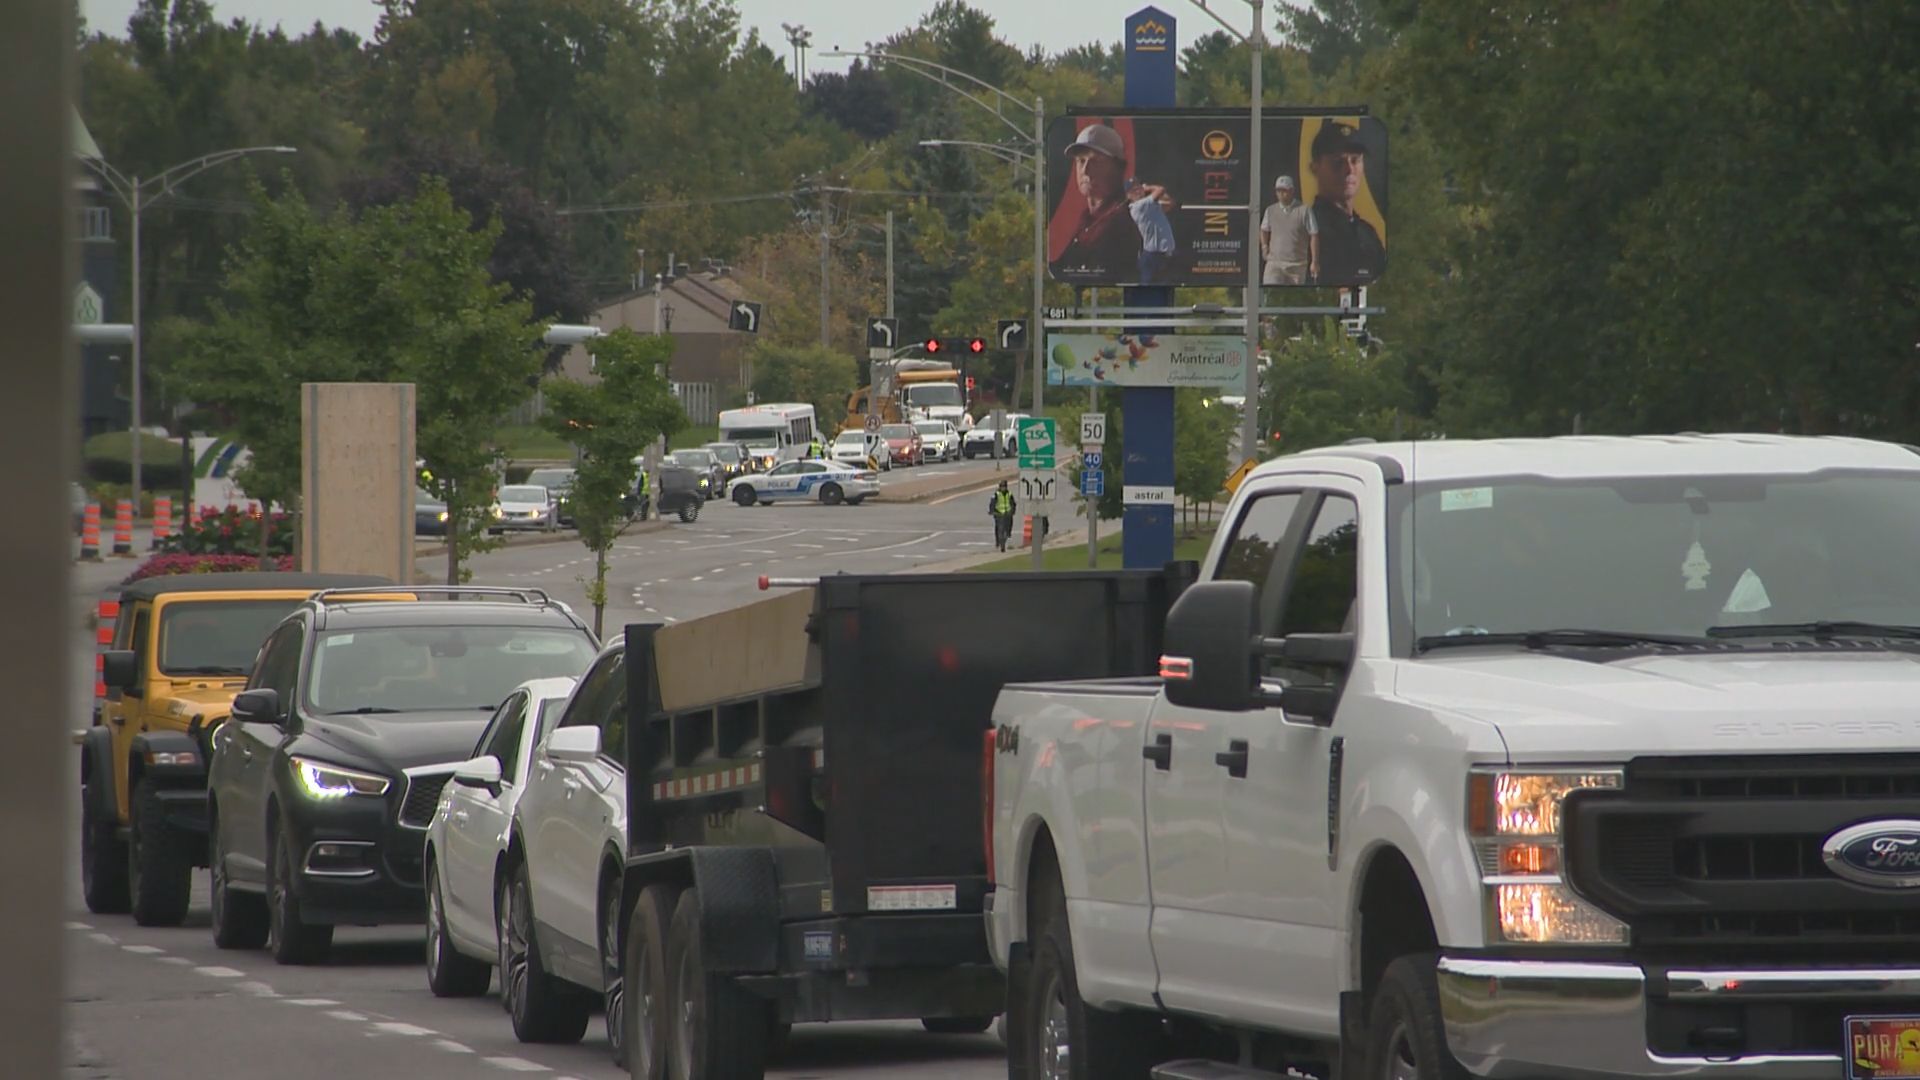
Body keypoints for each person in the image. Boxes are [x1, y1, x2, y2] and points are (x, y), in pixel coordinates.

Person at [1050, 124, 1143, 284]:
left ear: (1119, 167)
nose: (1085, 170)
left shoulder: (1128, 218)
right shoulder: (1086, 219)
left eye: (1097, 161)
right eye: (1081, 161)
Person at [1305, 122, 1385, 287]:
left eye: (1355, 161)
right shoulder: (1306, 228)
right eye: (1337, 162)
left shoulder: (1367, 233)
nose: (1349, 170)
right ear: (1315, 168)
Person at [1261, 175, 1312, 286]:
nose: (1281, 194)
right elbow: (1264, 229)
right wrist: (1264, 246)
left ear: (1292, 191)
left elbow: (1314, 234)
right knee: (1270, 290)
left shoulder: (1304, 210)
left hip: (1297, 265)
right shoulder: (1270, 210)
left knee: (1296, 296)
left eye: (1284, 190)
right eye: (1278, 191)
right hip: (1274, 263)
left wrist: (1315, 262)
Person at [1126, 178, 1177, 283]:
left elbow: (1170, 203)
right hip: (1152, 257)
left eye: (1138, 188)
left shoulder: (1150, 205)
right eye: (1133, 190)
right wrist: (1148, 187)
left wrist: (1149, 191)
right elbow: (1160, 189)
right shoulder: (1138, 207)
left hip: (1165, 256)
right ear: (1128, 196)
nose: (1138, 191)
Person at [989, 480, 1018, 551]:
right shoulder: (996, 494)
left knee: (1009, 527)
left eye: (1004, 487)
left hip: (1007, 513)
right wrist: (992, 511)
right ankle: (998, 541)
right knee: (998, 527)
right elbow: (992, 503)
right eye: (1002, 487)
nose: (1003, 488)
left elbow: (1013, 503)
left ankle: (1008, 535)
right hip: (999, 513)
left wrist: (1012, 511)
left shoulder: (1009, 494)